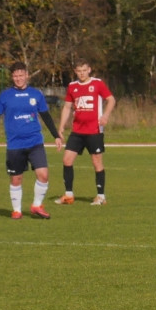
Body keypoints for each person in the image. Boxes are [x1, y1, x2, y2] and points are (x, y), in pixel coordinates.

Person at [0, 61, 62, 219]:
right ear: (12, 77)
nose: (18, 78)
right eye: (15, 76)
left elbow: (46, 116)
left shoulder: (36, 94)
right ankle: (17, 210)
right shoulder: (5, 96)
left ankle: (36, 205)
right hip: (15, 144)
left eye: (21, 75)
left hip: (35, 142)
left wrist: (56, 135)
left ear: (27, 75)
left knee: (43, 175)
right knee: (16, 178)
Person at [55, 59, 116, 206]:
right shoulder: (72, 86)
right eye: (79, 71)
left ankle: (101, 197)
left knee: (96, 162)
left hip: (94, 131)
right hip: (77, 131)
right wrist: (61, 127)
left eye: (84, 70)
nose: (82, 73)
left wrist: (106, 115)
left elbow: (111, 99)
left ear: (89, 70)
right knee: (67, 160)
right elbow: (67, 107)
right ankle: (68, 195)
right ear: (75, 72)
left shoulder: (97, 83)